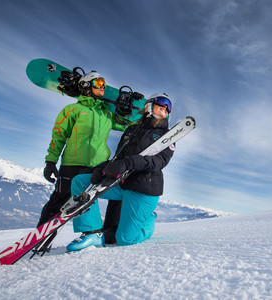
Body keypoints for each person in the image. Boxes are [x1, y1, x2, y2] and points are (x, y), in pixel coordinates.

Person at [65, 93, 174, 252]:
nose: (165, 108)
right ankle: (92, 233)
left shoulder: (168, 136)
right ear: (149, 105)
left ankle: (149, 220)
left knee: (125, 239)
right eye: (161, 103)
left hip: (144, 189)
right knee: (80, 182)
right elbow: (119, 157)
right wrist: (102, 168)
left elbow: (158, 162)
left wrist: (128, 163)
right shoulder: (131, 129)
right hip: (122, 185)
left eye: (168, 107)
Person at [37, 72, 135, 229]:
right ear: (86, 86)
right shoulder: (72, 110)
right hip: (72, 165)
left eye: (103, 83)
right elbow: (58, 137)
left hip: (98, 167)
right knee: (59, 202)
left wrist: (129, 110)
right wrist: (50, 161)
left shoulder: (107, 115)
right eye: (98, 82)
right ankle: (38, 241)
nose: (102, 86)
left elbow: (129, 125)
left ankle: (102, 235)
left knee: (99, 200)